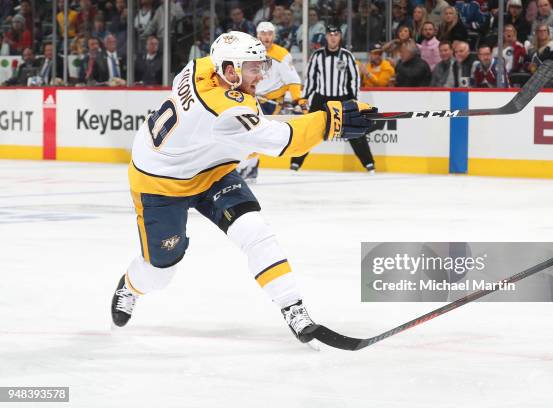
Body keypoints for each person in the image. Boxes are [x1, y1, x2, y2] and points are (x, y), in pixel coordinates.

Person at [110, 31, 377, 345]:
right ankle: (130, 286)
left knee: (255, 231)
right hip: (160, 183)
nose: (261, 74)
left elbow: (242, 121)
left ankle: (294, 309)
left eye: (261, 66)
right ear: (230, 70)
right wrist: (331, 121)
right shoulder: (223, 109)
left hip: (211, 170)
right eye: (254, 68)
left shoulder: (202, 67)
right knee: (159, 273)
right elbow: (284, 141)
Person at [291, 25, 376, 173]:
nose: (333, 37)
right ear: (326, 37)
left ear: (340, 37)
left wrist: (355, 100)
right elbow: (311, 79)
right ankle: (295, 164)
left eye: (336, 34)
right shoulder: (317, 56)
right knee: (309, 130)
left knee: (353, 130)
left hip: (341, 98)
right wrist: (304, 98)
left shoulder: (347, 56)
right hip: (320, 99)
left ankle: (369, 164)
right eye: (330, 34)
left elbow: (354, 80)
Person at [236, 21, 305, 182]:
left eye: (269, 34)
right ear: (258, 35)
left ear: (274, 35)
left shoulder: (282, 55)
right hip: (249, 98)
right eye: (263, 34)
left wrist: (297, 99)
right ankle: (251, 167)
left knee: (252, 134)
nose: (266, 37)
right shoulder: (248, 53)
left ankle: (247, 167)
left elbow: (293, 80)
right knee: (249, 134)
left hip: (270, 102)